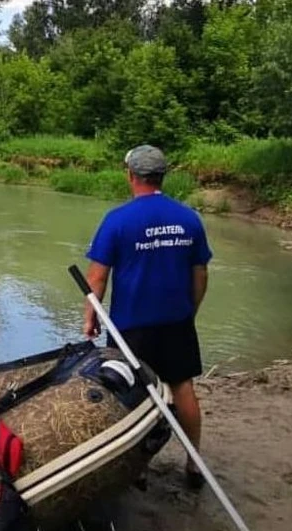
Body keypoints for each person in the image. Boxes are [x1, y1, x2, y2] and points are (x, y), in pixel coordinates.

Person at [82, 145, 212, 490]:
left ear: (130, 176)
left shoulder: (117, 220)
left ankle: (137, 469)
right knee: (182, 387)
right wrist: (189, 312)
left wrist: (90, 319)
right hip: (177, 321)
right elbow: (201, 275)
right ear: (161, 176)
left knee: (133, 394)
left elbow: (97, 278)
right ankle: (194, 463)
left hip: (130, 327)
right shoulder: (189, 218)